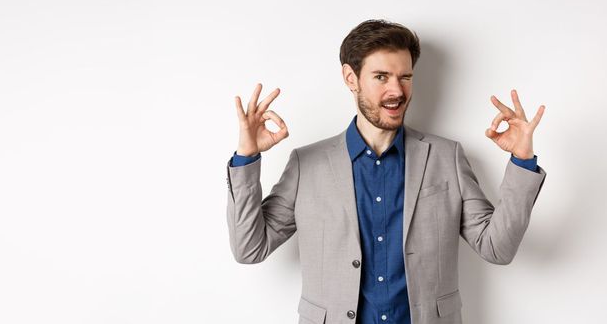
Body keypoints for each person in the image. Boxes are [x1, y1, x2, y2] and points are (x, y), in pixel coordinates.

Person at [224, 19, 546, 324]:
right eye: (381, 77)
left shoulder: (447, 157)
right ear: (351, 79)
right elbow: (250, 248)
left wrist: (522, 159)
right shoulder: (306, 165)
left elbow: (497, 248)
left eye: (405, 77)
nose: (397, 90)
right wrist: (247, 156)